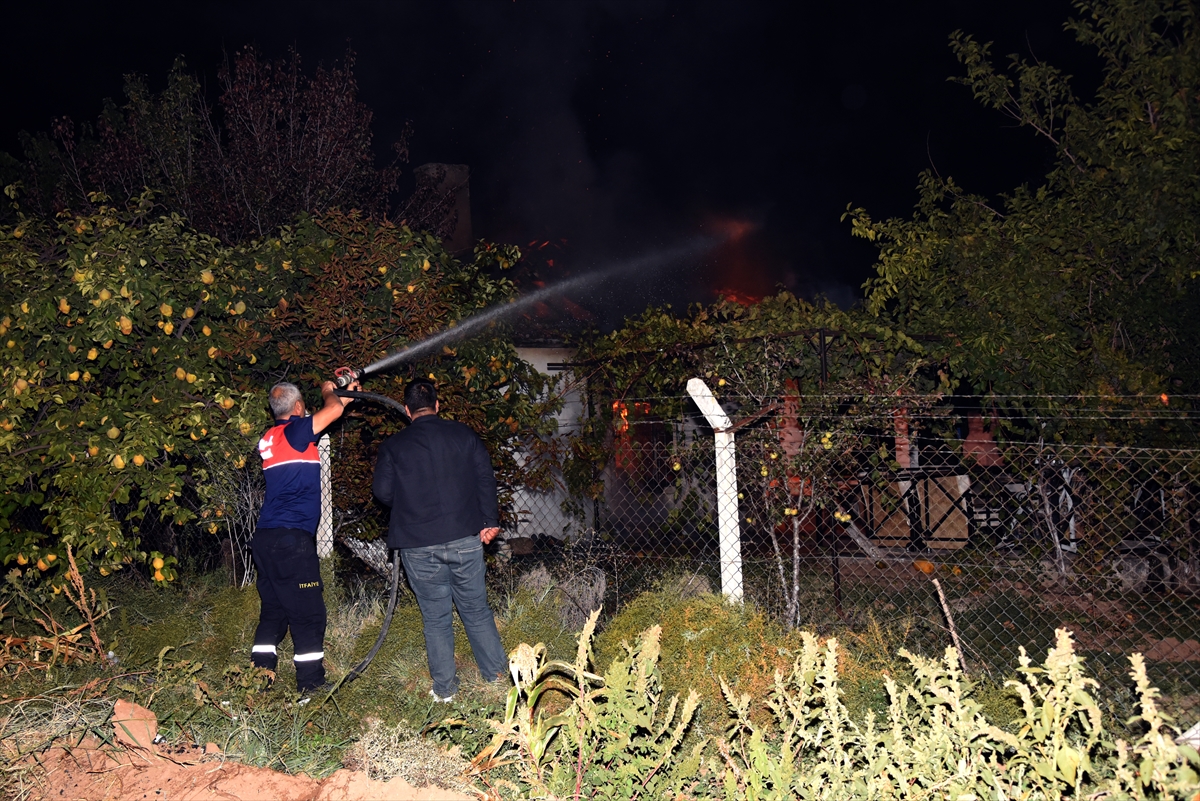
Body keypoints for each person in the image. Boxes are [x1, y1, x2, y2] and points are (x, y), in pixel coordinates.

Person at [372, 379, 507, 702]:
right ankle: (498, 680)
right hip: (464, 537)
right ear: (438, 404)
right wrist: (490, 521)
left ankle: (445, 691)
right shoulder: (463, 435)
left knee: (435, 617)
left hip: (417, 544)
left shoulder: (394, 445)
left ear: (406, 410)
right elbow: (485, 478)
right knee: (476, 610)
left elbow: (382, 493)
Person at [250, 379, 357, 693]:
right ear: (297, 408)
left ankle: (259, 681)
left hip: (266, 539)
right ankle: (311, 685)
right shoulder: (296, 432)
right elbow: (332, 410)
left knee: (274, 610)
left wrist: (345, 396)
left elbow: (334, 410)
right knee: (308, 612)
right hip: (291, 540)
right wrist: (329, 391)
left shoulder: (271, 437)